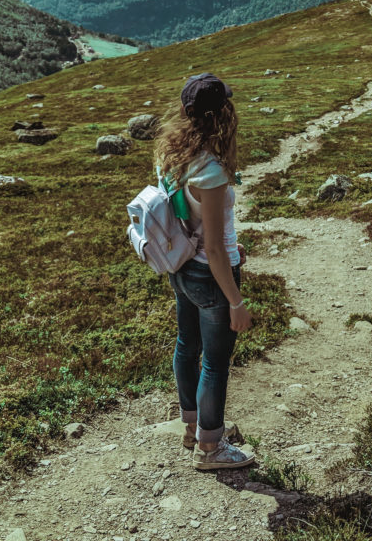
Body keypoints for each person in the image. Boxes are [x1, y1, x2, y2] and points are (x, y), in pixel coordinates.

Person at [154, 72, 256, 471]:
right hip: (209, 276)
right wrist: (236, 302)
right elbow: (212, 247)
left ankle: (194, 428)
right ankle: (211, 448)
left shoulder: (173, 155)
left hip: (181, 268)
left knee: (187, 346)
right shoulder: (210, 172)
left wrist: (231, 247)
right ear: (221, 115)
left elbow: (190, 220)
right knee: (215, 361)